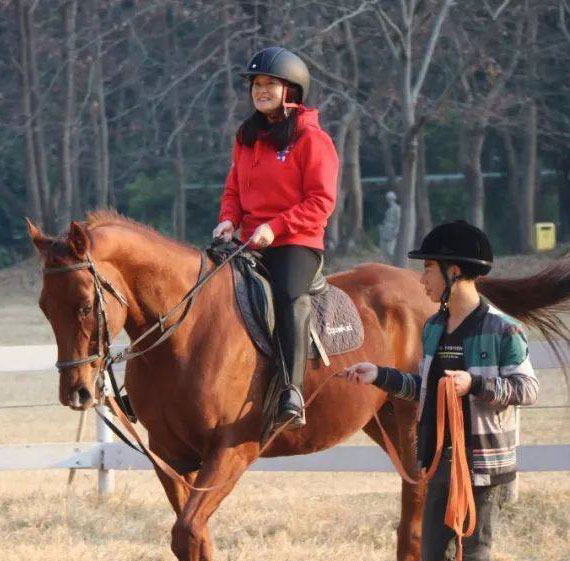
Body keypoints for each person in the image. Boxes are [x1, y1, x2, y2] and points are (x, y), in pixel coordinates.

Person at [341, 220, 538, 561]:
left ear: (454, 272)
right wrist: (379, 375)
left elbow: (527, 388)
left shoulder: (503, 330)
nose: (422, 280)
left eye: (429, 268)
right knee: (433, 554)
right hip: (437, 461)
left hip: (481, 465)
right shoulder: (433, 327)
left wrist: (474, 384)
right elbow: (425, 388)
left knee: (474, 553)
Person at [212, 47, 339, 428]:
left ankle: (291, 390)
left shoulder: (312, 139)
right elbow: (234, 189)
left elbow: (321, 201)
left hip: (296, 242)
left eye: (269, 84)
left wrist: (276, 227)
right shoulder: (246, 137)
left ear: (291, 90)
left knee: (288, 296)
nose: (260, 90)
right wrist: (228, 220)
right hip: (249, 240)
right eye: (256, 85)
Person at [379, 190, 400, 259]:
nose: (388, 200)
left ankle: (392, 261)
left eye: (390, 199)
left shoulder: (397, 208)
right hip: (386, 229)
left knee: (390, 250)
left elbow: (398, 220)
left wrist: (396, 230)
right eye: (388, 199)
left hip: (392, 230)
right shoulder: (389, 208)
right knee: (384, 248)